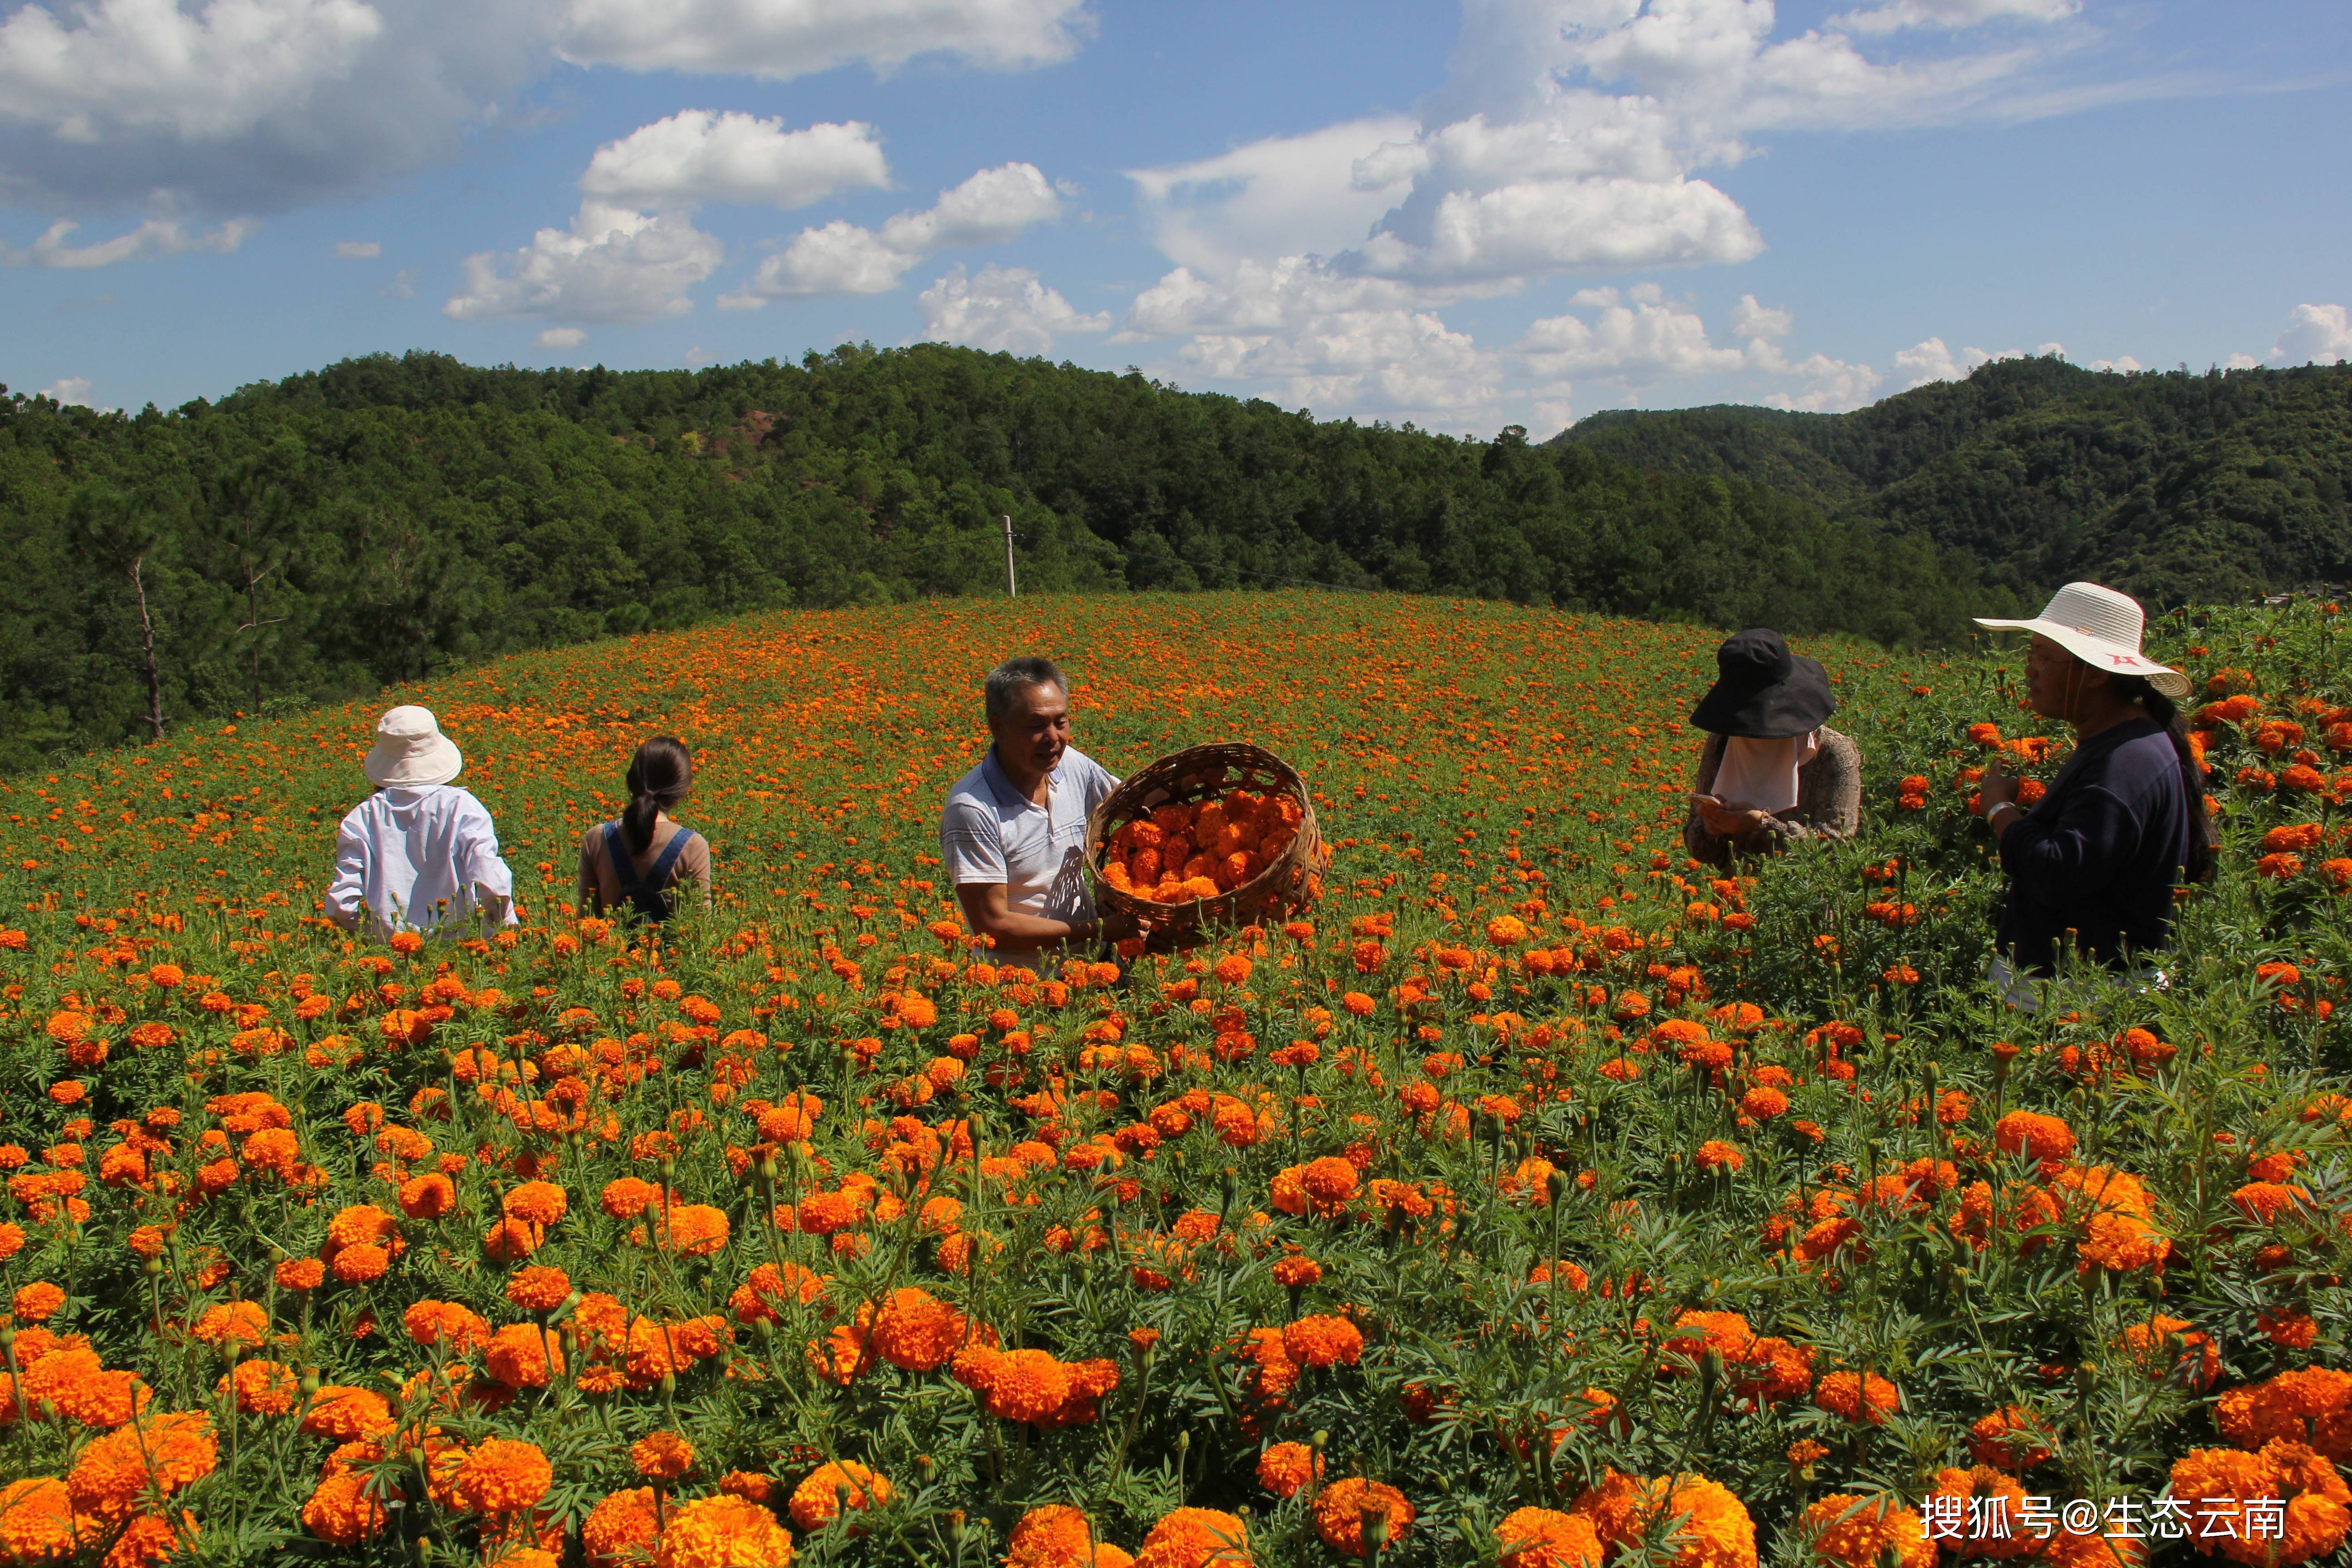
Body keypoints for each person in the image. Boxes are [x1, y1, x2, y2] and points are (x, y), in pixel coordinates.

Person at [1974, 582, 2211, 984]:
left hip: (2083, 1005)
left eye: (2045, 657)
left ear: (2096, 674)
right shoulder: (2127, 742)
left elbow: (2057, 872)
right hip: (2082, 994)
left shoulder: (2124, 764)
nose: (2029, 669)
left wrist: (2000, 809)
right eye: (2031, 653)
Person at [940, 657, 1148, 952]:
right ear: (998, 727)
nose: (1053, 738)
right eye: (1036, 726)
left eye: (1060, 722)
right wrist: (1098, 930)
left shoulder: (1072, 766)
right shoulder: (973, 809)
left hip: (1094, 965)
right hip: (1026, 988)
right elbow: (993, 925)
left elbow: (1134, 805)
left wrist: (1193, 780)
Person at [326, 706, 518, 937]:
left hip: (391, 954)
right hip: (465, 948)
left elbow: (342, 902)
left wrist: (368, 936)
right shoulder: (462, 807)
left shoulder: (363, 817)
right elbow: (489, 877)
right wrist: (503, 928)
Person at [1683, 627, 1861, 868]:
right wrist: (1712, 827)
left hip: (1805, 898)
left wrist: (1762, 825)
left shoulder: (1833, 753)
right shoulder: (1722, 742)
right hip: (1736, 894)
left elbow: (1836, 847)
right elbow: (1699, 848)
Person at [577, 736, 711, 923]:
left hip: (609, 951)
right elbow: (701, 926)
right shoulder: (693, 846)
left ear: (631, 780)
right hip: (671, 953)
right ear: (682, 789)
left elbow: (586, 921)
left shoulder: (597, 838)